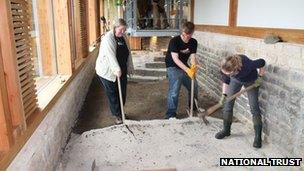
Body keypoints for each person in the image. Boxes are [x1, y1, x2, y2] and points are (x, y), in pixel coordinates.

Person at [215, 54, 266, 148]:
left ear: (235, 70)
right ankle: (226, 130)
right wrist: (224, 95)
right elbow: (226, 80)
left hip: (251, 81)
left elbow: (262, 62)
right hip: (236, 80)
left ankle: (258, 137)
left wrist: (260, 77)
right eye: (224, 72)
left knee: (254, 107)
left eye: (228, 73)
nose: (225, 74)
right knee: (227, 104)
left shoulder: (248, 64)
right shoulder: (225, 66)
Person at [95, 18, 134, 124]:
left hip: (121, 69)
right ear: (115, 28)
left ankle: (121, 112)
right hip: (107, 70)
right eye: (121, 29)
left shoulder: (123, 37)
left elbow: (128, 53)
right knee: (113, 93)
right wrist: (117, 69)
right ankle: (117, 116)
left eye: (124, 30)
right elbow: (110, 56)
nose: (123, 32)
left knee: (122, 91)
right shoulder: (108, 39)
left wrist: (129, 66)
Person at [165, 21, 199, 119]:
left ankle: (193, 108)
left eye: (188, 35)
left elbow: (193, 56)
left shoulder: (193, 42)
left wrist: (193, 66)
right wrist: (187, 70)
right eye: (184, 35)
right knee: (175, 89)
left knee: (194, 86)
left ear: (192, 33)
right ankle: (170, 114)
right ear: (182, 32)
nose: (185, 37)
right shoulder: (174, 41)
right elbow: (175, 59)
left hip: (183, 64)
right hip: (172, 65)